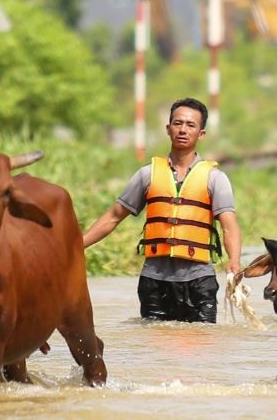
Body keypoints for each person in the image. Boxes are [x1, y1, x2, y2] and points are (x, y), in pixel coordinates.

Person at [83, 97, 242, 323]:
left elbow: (229, 226)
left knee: (202, 347)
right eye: (178, 124)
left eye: (190, 125)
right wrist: (77, 246)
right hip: (154, 282)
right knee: (154, 346)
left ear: (201, 134)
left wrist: (234, 262)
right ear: (168, 129)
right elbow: (113, 216)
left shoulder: (215, 178)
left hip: (199, 281)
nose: (183, 130)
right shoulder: (147, 175)